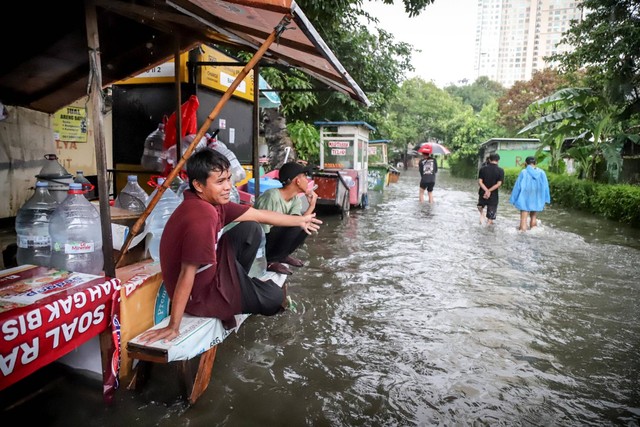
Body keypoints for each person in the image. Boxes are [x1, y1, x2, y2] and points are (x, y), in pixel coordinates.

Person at [138, 148, 322, 344]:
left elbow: (258, 215)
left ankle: (239, 285)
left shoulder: (214, 204)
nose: (227, 187)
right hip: (200, 297)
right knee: (275, 298)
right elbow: (186, 273)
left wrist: (300, 221)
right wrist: (174, 326)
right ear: (198, 185)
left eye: (228, 179)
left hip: (214, 271)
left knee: (250, 228)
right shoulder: (202, 216)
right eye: (220, 182)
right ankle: (235, 292)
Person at [254, 162, 318, 275]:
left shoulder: (295, 199)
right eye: (304, 177)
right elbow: (261, 230)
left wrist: (312, 205)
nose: (307, 181)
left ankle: (282, 256)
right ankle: (269, 261)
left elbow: (301, 222)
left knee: (306, 226)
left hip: (272, 238)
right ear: (297, 181)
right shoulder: (271, 196)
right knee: (298, 225)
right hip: (259, 241)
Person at [509, 156, 551, 231]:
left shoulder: (524, 172)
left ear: (525, 163)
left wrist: (513, 199)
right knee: (533, 216)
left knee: (523, 218)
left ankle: (522, 236)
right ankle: (533, 232)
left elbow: (517, 186)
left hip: (525, 196)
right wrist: (546, 198)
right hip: (537, 196)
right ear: (536, 163)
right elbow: (545, 186)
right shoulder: (542, 172)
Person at [477, 153, 505, 225]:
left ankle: (482, 215)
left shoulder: (482, 169)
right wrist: (489, 191)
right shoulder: (500, 170)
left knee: (480, 206)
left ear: (489, 159)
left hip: (482, 193)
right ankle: (488, 231)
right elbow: (499, 184)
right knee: (490, 217)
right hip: (493, 195)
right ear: (498, 160)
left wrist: (486, 190)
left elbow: (480, 182)